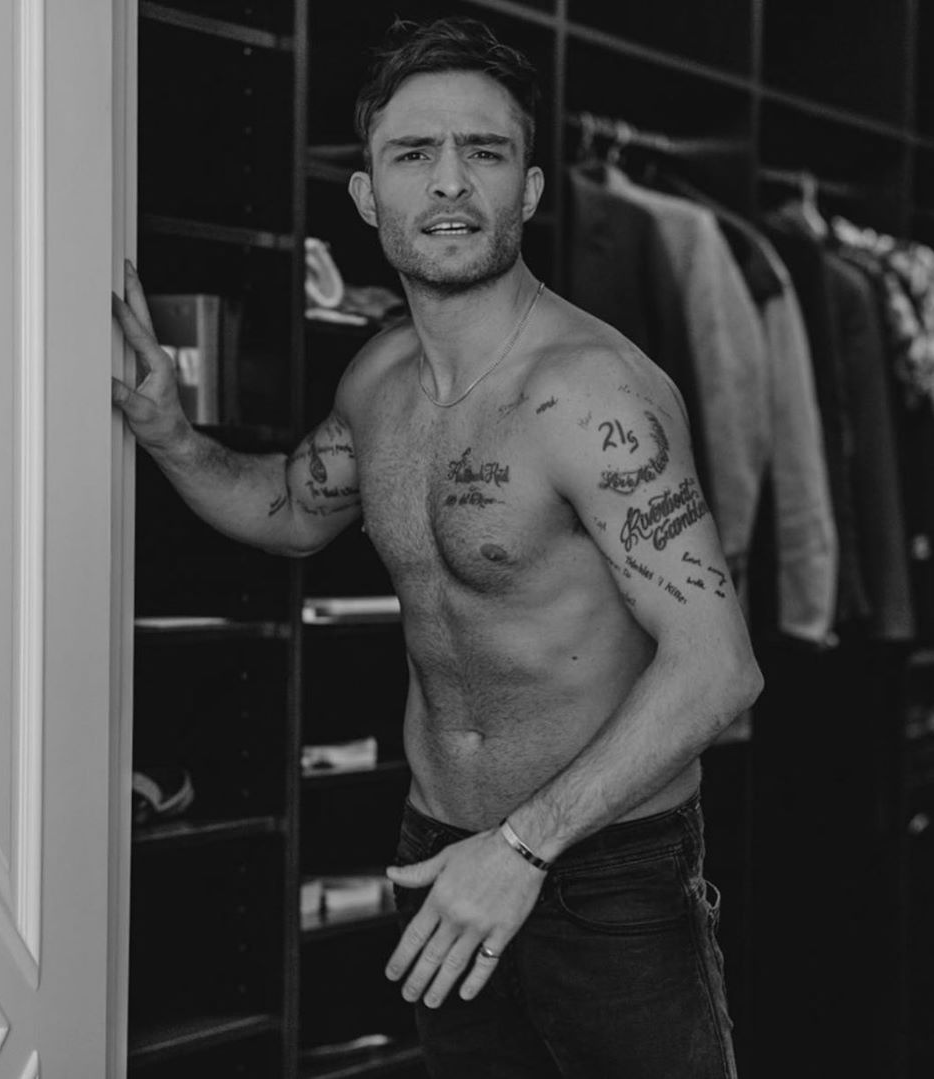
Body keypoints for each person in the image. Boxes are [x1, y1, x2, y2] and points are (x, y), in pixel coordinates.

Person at [112, 16, 762, 1077]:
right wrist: (171, 434)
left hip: (603, 873)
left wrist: (522, 847)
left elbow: (719, 668)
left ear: (531, 189)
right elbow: (288, 509)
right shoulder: (379, 382)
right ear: (368, 195)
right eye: (414, 153)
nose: (450, 181)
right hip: (442, 858)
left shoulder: (592, 392)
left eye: (484, 152)